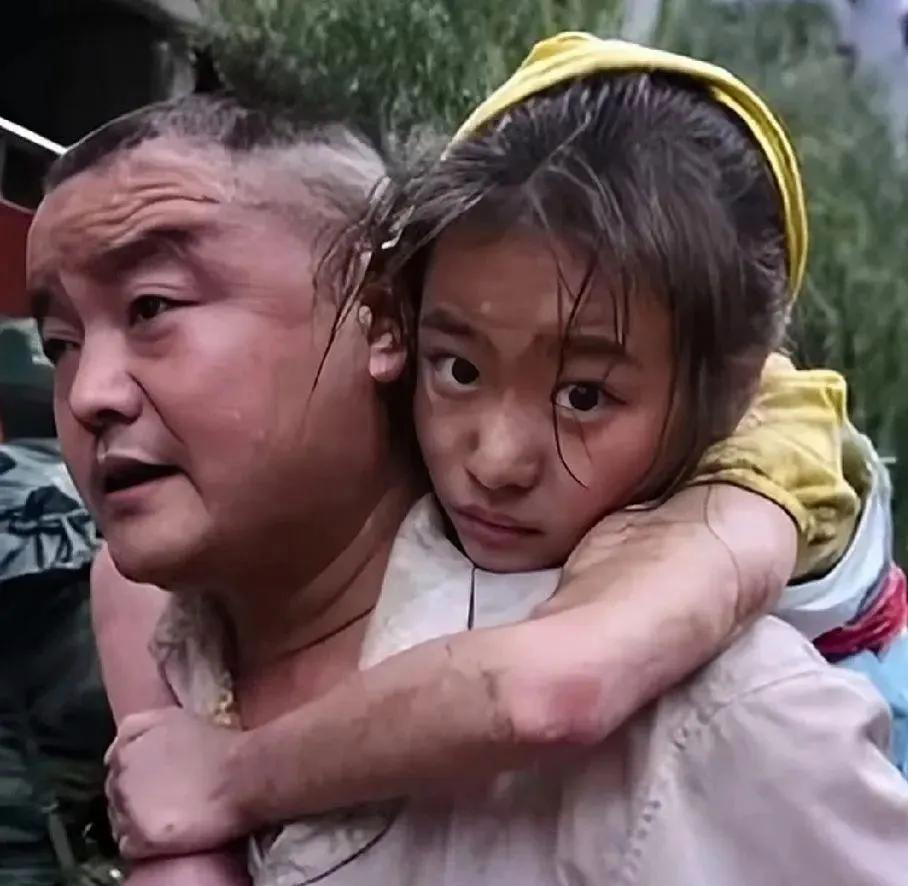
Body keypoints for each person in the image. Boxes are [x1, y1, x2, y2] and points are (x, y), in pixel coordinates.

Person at [26, 37, 894, 885]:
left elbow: (553, 688)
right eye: (58, 341)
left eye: (153, 307)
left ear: (378, 314)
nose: (89, 391)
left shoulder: (712, 715)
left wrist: (230, 779)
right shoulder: (182, 625)